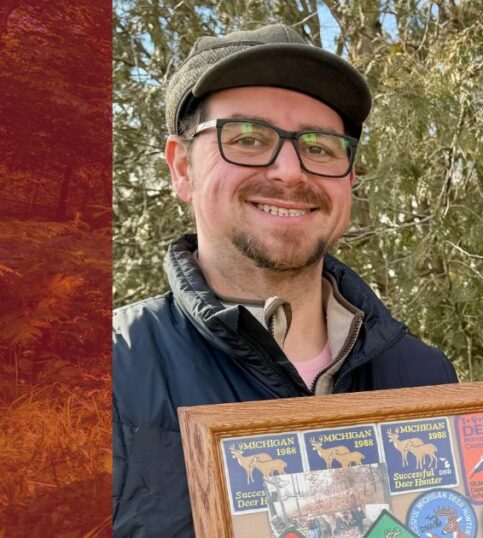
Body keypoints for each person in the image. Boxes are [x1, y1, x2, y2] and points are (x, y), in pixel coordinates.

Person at [112, 23, 457, 536]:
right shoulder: (99, 381)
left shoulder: (426, 379)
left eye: (320, 146)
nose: (291, 171)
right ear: (181, 167)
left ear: (350, 179)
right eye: (248, 139)